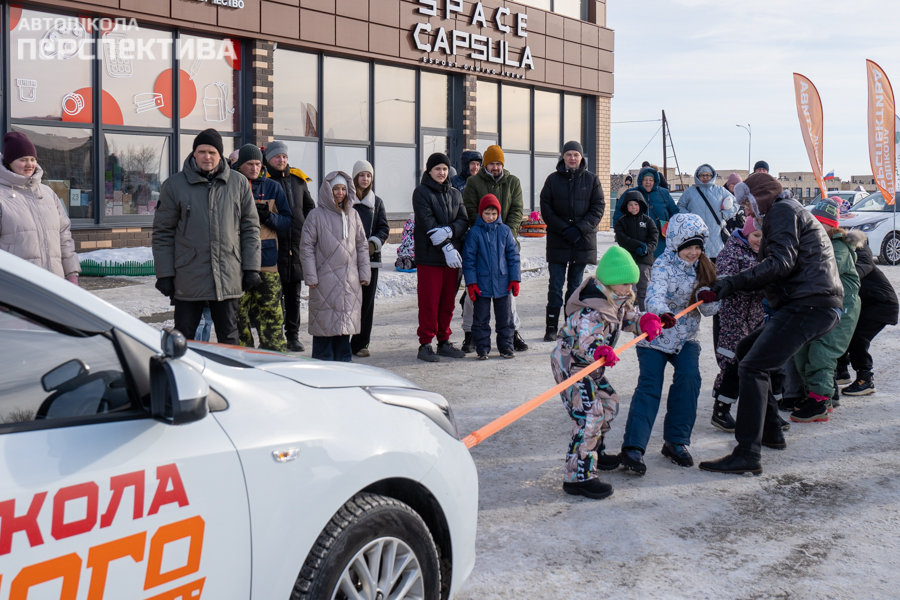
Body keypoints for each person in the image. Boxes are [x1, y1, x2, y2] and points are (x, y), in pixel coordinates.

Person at [699, 174, 842, 476]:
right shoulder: (786, 211)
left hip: (810, 304)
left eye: (748, 205)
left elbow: (780, 263)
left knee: (753, 367)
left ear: (760, 197)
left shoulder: (782, 212)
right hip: (808, 303)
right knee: (746, 348)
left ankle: (747, 454)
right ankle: (771, 430)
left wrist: (733, 283)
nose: (747, 213)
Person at [551, 247, 663, 499]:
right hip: (573, 366)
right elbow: (588, 338)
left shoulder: (617, 299)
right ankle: (578, 476)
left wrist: (648, 321)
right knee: (589, 414)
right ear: (612, 281)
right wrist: (600, 349)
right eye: (626, 283)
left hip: (591, 365)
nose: (630, 289)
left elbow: (629, 318)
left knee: (609, 402)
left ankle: (594, 452)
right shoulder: (591, 307)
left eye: (632, 284)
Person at [618, 213, 719, 475]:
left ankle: (676, 441)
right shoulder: (662, 265)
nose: (694, 252)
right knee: (650, 386)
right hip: (656, 334)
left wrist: (708, 299)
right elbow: (654, 295)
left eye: (698, 247)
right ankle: (634, 447)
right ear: (676, 244)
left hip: (686, 336)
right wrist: (661, 314)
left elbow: (709, 311)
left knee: (689, 378)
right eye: (689, 247)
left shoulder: (704, 268)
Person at [153, 129, 260, 345]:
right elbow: (163, 233)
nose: (207, 156)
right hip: (188, 274)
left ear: (220, 155)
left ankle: (225, 378)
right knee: (183, 338)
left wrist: (251, 268)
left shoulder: (238, 184)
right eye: (201, 151)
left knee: (229, 337)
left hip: (228, 272)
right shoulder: (174, 186)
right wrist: (164, 273)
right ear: (194, 154)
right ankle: (183, 377)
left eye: (212, 152)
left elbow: (250, 228)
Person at [790, 199, 860, 422]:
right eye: (815, 222)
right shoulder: (815, 242)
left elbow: (823, 270)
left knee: (822, 351)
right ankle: (816, 395)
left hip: (843, 307)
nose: (818, 226)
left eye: (823, 223)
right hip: (822, 305)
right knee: (803, 350)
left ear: (833, 226)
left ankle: (820, 401)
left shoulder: (837, 247)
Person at [461, 145, 526, 353]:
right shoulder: (474, 182)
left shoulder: (513, 182)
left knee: (507, 297)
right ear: (485, 164)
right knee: (475, 300)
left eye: (498, 164)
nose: (495, 167)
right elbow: (470, 208)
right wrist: (484, 228)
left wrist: (507, 232)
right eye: (492, 163)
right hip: (480, 243)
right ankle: (471, 334)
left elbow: (517, 209)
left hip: (505, 242)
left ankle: (511, 334)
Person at [299, 172, 370, 362]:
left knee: (344, 328)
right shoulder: (316, 215)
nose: (340, 193)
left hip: (350, 281)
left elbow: (362, 245)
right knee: (324, 329)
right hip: (324, 281)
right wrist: (311, 276)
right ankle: (323, 371)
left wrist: (364, 272)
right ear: (328, 191)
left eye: (343, 189)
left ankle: (344, 369)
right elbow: (306, 247)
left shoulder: (353, 214)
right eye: (336, 189)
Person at [539, 141, 606, 342]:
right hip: (558, 241)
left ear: (581, 157)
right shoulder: (552, 180)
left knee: (576, 287)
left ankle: (571, 326)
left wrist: (579, 229)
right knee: (555, 286)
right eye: (568, 154)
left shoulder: (592, 180)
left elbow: (598, 208)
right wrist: (564, 229)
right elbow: (546, 208)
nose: (572, 158)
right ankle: (551, 328)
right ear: (563, 157)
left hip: (581, 241)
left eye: (575, 154)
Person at [233, 144, 292, 352]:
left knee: (272, 315)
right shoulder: (230, 186)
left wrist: (268, 217)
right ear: (240, 166)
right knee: (238, 317)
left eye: (258, 164)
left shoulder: (273, 187)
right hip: (237, 263)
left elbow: (287, 221)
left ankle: (275, 357)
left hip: (267, 262)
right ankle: (242, 358)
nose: (255, 168)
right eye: (250, 164)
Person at [0, 131, 80, 284]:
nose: (29, 164)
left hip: (54, 283)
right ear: (9, 162)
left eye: (32, 159)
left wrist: (71, 273)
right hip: (17, 286)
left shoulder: (48, 193)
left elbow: (64, 236)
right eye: (23, 160)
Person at [710, 216, 765, 433]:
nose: (759, 240)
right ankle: (721, 410)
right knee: (732, 361)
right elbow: (725, 279)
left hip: (756, 316)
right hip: (733, 316)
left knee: (758, 361)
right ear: (746, 233)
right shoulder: (731, 251)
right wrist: (758, 285)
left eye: (762, 235)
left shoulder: (765, 252)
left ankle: (766, 414)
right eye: (755, 235)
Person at [414, 153, 469, 362]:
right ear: (429, 171)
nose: (441, 173)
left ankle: (444, 341)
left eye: (445, 169)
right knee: (429, 301)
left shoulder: (455, 194)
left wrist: (449, 231)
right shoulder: (421, 193)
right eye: (437, 169)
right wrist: (445, 246)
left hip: (452, 258)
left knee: (447, 302)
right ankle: (425, 344)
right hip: (430, 257)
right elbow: (427, 223)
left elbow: (463, 219)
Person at [265, 140, 317, 353]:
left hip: (296, 245)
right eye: (277, 157)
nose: (281, 160)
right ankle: (276, 335)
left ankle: (293, 336)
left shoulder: (298, 180)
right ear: (269, 159)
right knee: (274, 296)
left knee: (294, 296)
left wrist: (306, 229)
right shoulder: (264, 181)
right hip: (273, 246)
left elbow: (310, 208)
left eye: (284, 156)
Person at [836, 230, 899, 396]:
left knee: (858, 338)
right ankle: (841, 372)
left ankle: (866, 379)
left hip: (881, 304)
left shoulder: (860, 253)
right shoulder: (840, 250)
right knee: (842, 332)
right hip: (865, 303)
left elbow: (857, 272)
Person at [462, 194, 521, 359]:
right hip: (482, 283)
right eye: (487, 213)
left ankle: (506, 346)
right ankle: (482, 347)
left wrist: (515, 279)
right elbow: (469, 259)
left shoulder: (505, 231)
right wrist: (471, 283)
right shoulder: (475, 232)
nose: (490, 217)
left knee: (506, 318)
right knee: (480, 318)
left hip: (503, 282)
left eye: (494, 214)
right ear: (481, 213)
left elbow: (513, 256)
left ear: (499, 214)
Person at [349, 160, 389, 357]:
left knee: (366, 303)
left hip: (369, 260)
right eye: (362, 175)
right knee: (347, 301)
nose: (365, 179)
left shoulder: (377, 202)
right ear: (355, 177)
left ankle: (361, 343)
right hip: (347, 259)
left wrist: (374, 243)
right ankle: (342, 341)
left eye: (369, 176)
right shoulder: (346, 201)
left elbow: (384, 228)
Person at [612, 166, 678, 259]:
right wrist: (620, 233)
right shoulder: (631, 193)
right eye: (645, 179)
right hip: (634, 243)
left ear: (655, 181)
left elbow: (674, 213)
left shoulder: (664, 193)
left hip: (660, 241)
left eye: (650, 179)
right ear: (640, 181)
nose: (648, 182)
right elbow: (618, 214)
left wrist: (672, 229)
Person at [678, 164, 737, 261]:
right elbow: (680, 206)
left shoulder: (720, 190)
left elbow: (736, 203)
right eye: (702, 175)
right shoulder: (690, 191)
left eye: (707, 175)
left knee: (714, 273)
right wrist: (689, 217)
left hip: (715, 239)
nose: (705, 177)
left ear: (712, 176)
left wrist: (724, 214)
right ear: (698, 176)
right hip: (695, 237)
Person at [613, 189, 659, 309]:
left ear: (641, 205)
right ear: (625, 206)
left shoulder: (648, 221)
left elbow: (654, 238)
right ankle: (628, 313)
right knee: (628, 289)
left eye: (636, 204)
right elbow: (622, 239)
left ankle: (644, 312)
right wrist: (638, 245)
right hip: (628, 261)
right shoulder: (621, 222)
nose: (633, 207)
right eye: (630, 205)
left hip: (644, 261)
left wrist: (646, 249)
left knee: (644, 287)